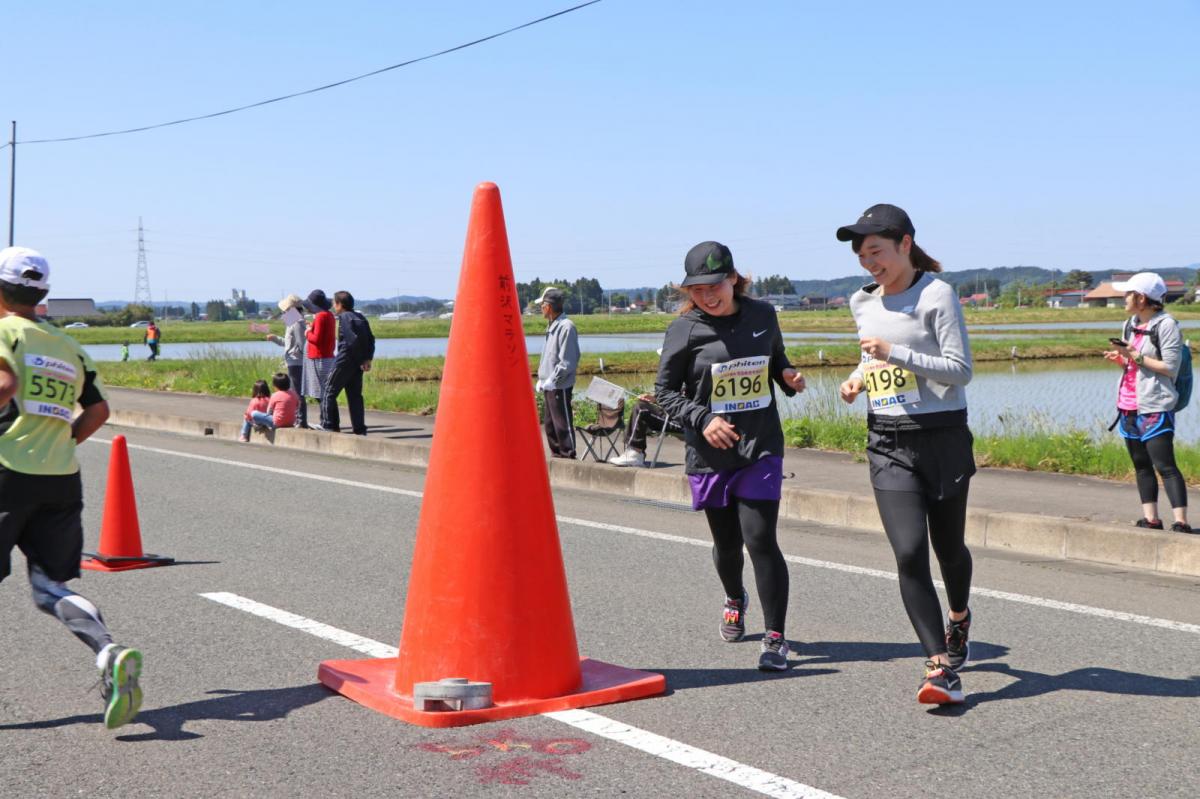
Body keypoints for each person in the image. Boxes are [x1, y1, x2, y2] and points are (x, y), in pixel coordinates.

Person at [835, 204, 975, 705]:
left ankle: (958, 616)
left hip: (942, 436)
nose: (869, 262)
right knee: (909, 551)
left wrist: (895, 354)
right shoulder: (861, 302)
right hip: (888, 439)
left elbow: (959, 370)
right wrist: (857, 378)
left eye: (876, 251)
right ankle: (939, 666)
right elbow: (869, 354)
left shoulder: (936, 293)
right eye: (861, 254)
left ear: (905, 244)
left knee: (949, 549)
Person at [0, 246, 143, 730]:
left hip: (4, 471)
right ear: (43, 293)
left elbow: (2, 384)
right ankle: (108, 651)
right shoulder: (66, 345)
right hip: (60, 477)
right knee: (48, 586)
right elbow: (98, 411)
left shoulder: (3, 332)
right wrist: (65, 438)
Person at [655, 241, 806, 671]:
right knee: (727, 543)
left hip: (760, 447)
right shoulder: (683, 330)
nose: (707, 295)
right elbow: (665, 392)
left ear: (734, 278)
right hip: (710, 452)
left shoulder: (762, 315)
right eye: (697, 289)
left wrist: (787, 376)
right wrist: (702, 419)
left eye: (715, 284)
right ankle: (734, 597)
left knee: (760, 538)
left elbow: (775, 360)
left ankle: (776, 637)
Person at [1103, 272, 1192, 533]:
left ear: (1141, 298)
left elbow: (1170, 367)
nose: (1124, 298)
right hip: (1129, 404)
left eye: (1127, 294)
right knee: (1141, 465)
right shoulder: (1129, 323)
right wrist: (1122, 359)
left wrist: (1134, 354)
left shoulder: (1166, 325)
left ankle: (1181, 521)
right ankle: (1151, 518)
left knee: (1165, 465)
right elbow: (1133, 365)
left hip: (1155, 405)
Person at [534, 287, 580, 459]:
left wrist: (553, 379)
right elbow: (549, 357)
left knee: (562, 424)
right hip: (548, 384)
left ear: (549, 306)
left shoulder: (566, 327)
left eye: (542, 305)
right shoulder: (553, 325)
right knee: (550, 424)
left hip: (559, 385)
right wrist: (542, 378)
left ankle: (568, 455)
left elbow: (568, 360)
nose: (541, 308)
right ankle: (557, 456)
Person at [322, 291, 375, 435]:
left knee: (328, 391)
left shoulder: (344, 317)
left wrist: (360, 359)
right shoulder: (360, 317)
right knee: (355, 396)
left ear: (340, 304)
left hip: (344, 360)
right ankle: (359, 429)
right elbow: (371, 339)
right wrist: (367, 359)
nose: (333, 305)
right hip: (357, 364)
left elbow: (352, 341)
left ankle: (327, 426)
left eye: (334, 303)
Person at [266, 294, 308, 428]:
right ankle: (298, 419)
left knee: (297, 392)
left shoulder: (297, 322)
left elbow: (301, 345)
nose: (283, 312)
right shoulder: (293, 322)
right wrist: (275, 339)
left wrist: (295, 353)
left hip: (296, 362)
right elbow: (289, 343)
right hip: (292, 361)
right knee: (294, 391)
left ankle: (301, 421)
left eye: (285, 310)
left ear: (292, 310)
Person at [607, 394, 683, 467]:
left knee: (641, 408)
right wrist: (654, 399)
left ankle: (635, 453)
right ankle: (634, 452)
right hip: (672, 416)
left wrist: (659, 401)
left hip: (682, 423)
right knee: (641, 405)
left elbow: (683, 405)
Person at [302, 289, 336, 429]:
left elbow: (316, 339)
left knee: (321, 393)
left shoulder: (321, 316)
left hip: (319, 357)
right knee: (325, 392)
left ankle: (326, 422)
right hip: (327, 356)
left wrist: (307, 332)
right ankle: (330, 422)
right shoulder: (329, 315)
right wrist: (312, 327)